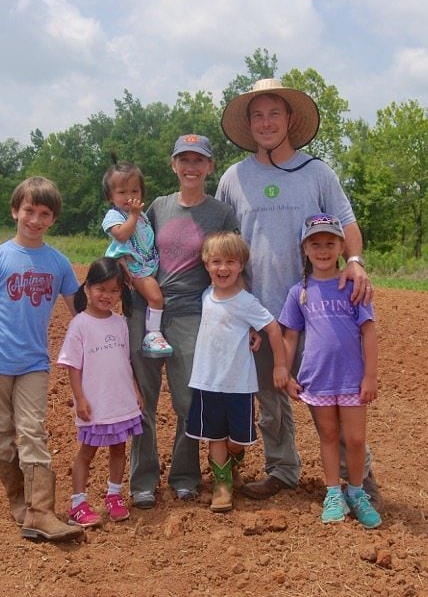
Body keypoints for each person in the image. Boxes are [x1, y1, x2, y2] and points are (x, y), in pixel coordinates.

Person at [216, 78, 381, 508]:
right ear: (248, 124)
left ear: (290, 119)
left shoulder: (317, 172)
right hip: (261, 312)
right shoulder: (234, 179)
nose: (266, 123)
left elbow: (348, 225)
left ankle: (357, 479)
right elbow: (223, 245)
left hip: (321, 310)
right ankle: (282, 471)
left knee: (336, 399)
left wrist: (357, 263)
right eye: (257, 116)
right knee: (271, 400)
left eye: (274, 114)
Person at [0, 176, 83, 542]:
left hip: (34, 363)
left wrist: (109, 309)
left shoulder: (58, 263)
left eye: (44, 213)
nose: (35, 219)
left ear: (52, 219)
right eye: (29, 210)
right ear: (15, 211)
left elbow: (77, 310)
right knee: (0, 434)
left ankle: (42, 511)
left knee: (32, 430)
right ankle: (19, 503)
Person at [127, 134, 240, 508]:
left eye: (199, 160)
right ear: (173, 165)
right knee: (142, 400)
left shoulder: (220, 213)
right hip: (147, 310)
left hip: (192, 313)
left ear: (210, 166)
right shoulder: (157, 207)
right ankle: (143, 480)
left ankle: (185, 475)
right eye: (184, 160)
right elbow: (134, 250)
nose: (191, 167)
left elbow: (232, 264)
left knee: (189, 400)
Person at [279, 214, 381, 528]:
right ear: (305, 250)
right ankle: (333, 492)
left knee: (354, 438)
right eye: (315, 244)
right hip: (318, 379)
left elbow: (369, 332)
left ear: (340, 247)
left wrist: (370, 376)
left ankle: (357, 492)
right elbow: (291, 336)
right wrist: (285, 370)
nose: (323, 250)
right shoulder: (299, 292)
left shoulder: (353, 286)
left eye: (329, 243)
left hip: (352, 378)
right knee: (328, 436)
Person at [186, 232, 289, 512]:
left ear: (241, 265)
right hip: (208, 380)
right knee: (215, 436)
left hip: (239, 384)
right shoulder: (206, 296)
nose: (223, 268)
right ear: (206, 264)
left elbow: (273, 328)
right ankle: (222, 487)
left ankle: (231, 464)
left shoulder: (247, 302)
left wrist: (280, 365)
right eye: (216, 261)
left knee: (237, 439)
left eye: (230, 262)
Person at [56, 257, 144, 527]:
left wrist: (136, 391)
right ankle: (78, 503)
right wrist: (80, 398)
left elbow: (126, 361)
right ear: (87, 288)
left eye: (114, 291)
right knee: (87, 451)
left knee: (119, 448)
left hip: (120, 400)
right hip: (95, 402)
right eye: (101, 289)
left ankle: (114, 495)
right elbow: (72, 365)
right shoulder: (80, 324)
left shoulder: (120, 323)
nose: (107, 296)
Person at [101, 158, 173, 358]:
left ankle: (129, 328)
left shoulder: (142, 216)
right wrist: (133, 215)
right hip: (133, 267)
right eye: (122, 192)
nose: (129, 197)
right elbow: (121, 235)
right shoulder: (115, 215)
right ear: (110, 196)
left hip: (146, 264)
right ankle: (152, 335)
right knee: (156, 298)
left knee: (148, 299)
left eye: (134, 191)